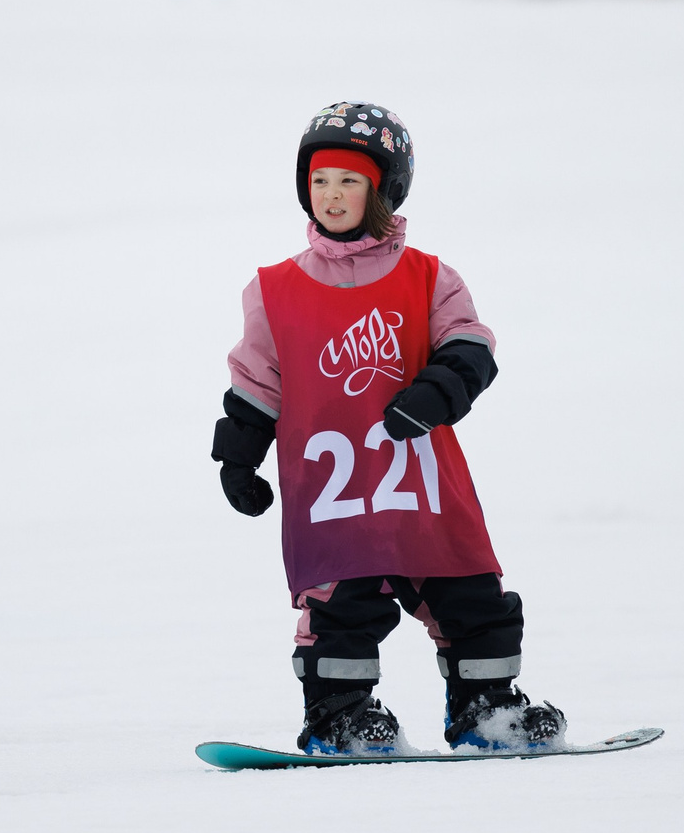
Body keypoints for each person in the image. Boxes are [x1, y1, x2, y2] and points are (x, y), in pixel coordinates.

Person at [208, 103, 567, 756]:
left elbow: (469, 346)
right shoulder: (275, 290)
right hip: (335, 495)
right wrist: (238, 459)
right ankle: (341, 715)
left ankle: (486, 710)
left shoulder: (428, 278)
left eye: (349, 181)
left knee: (473, 598)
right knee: (342, 610)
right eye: (318, 182)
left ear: (383, 188)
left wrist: (437, 391)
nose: (332, 195)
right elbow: (257, 381)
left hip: (423, 487)